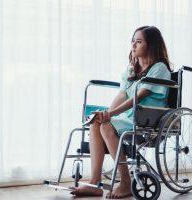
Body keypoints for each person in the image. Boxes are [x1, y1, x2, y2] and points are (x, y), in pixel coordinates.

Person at [70, 26, 172, 199]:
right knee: (97, 122)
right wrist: (106, 113)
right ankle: (95, 183)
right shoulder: (132, 69)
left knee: (105, 124)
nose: (133, 45)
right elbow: (122, 94)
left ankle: (125, 181)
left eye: (139, 42)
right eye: (133, 41)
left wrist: (110, 114)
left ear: (151, 45)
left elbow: (138, 97)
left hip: (147, 117)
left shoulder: (159, 68)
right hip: (129, 117)